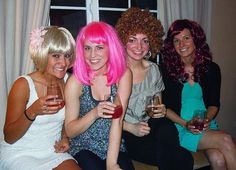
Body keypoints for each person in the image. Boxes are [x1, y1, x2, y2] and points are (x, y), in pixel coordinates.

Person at [115, 7, 193, 170]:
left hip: (151, 128)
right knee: (183, 159)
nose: (139, 46)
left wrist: (160, 110)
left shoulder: (154, 70)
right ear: (123, 40)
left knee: (167, 129)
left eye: (145, 40)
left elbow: (156, 108)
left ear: (151, 42)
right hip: (125, 132)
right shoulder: (114, 71)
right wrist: (132, 128)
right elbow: (106, 116)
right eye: (132, 39)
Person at [0, 26, 81, 170]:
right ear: (43, 54)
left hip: (53, 151)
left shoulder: (70, 82)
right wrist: (32, 111)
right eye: (56, 55)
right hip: (20, 152)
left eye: (67, 55)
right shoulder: (23, 85)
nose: (63, 63)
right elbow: (9, 137)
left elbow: (67, 119)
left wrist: (65, 137)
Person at [161, 19, 236, 170]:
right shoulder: (166, 71)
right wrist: (186, 124)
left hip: (205, 125)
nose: (181, 45)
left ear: (196, 39)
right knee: (227, 139)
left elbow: (214, 103)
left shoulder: (211, 69)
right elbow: (164, 108)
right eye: (176, 40)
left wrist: (206, 119)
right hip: (181, 127)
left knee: (218, 159)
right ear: (172, 45)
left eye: (186, 38)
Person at [64, 21, 134, 170]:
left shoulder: (123, 75)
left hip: (114, 146)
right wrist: (95, 113)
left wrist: (112, 163)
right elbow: (70, 130)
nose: (92, 55)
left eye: (99, 48)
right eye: (87, 48)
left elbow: (118, 121)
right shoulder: (75, 82)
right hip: (84, 147)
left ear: (111, 48)